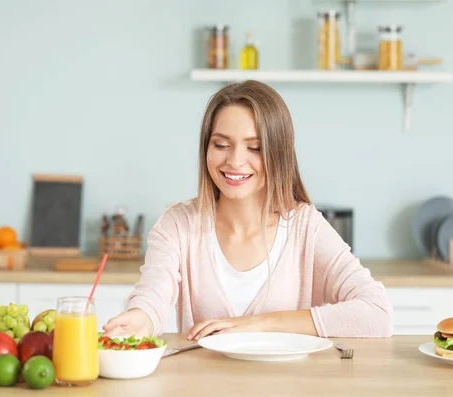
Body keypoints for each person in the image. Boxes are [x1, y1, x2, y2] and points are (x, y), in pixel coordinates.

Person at [103, 80, 393, 340]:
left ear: (278, 154)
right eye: (221, 144)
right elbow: (153, 296)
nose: (235, 161)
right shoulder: (178, 225)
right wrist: (140, 317)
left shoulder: (305, 227)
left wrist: (258, 324)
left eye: (254, 148)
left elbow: (377, 313)